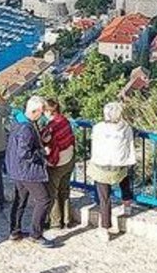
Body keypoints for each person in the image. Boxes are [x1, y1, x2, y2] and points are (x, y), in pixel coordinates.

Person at [5, 95, 54, 248]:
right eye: (41, 111)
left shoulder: (18, 121)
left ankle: (15, 231)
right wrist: (42, 152)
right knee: (44, 199)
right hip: (27, 170)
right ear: (35, 111)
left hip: (16, 168)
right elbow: (24, 153)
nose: (42, 114)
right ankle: (36, 234)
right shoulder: (27, 128)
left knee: (20, 199)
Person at [87, 101, 137, 242]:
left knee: (104, 198)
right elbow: (129, 144)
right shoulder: (126, 128)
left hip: (101, 166)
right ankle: (127, 204)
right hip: (118, 166)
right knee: (124, 177)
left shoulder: (98, 128)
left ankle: (104, 228)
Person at [42, 97, 77, 231]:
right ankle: (67, 220)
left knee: (53, 193)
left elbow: (44, 141)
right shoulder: (65, 121)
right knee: (65, 190)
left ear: (47, 111)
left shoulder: (50, 128)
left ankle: (56, 222)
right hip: (69, 159)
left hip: (57, 163)